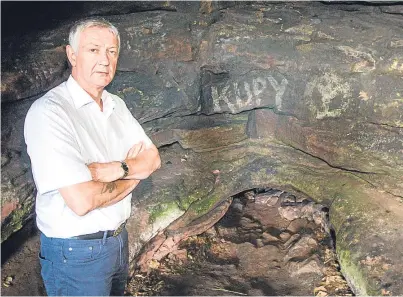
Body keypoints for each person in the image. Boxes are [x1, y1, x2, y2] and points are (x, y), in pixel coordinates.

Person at [24, 18, 161, 296]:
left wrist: (119, 169)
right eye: (93, 50)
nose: (105, 60)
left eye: (111, 51)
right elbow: (83, 201)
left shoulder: (116, 105)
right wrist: (135, 177)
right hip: (75, 253)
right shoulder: (50, 112)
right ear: (72, 55)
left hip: (118, 241)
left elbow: (153, 160)